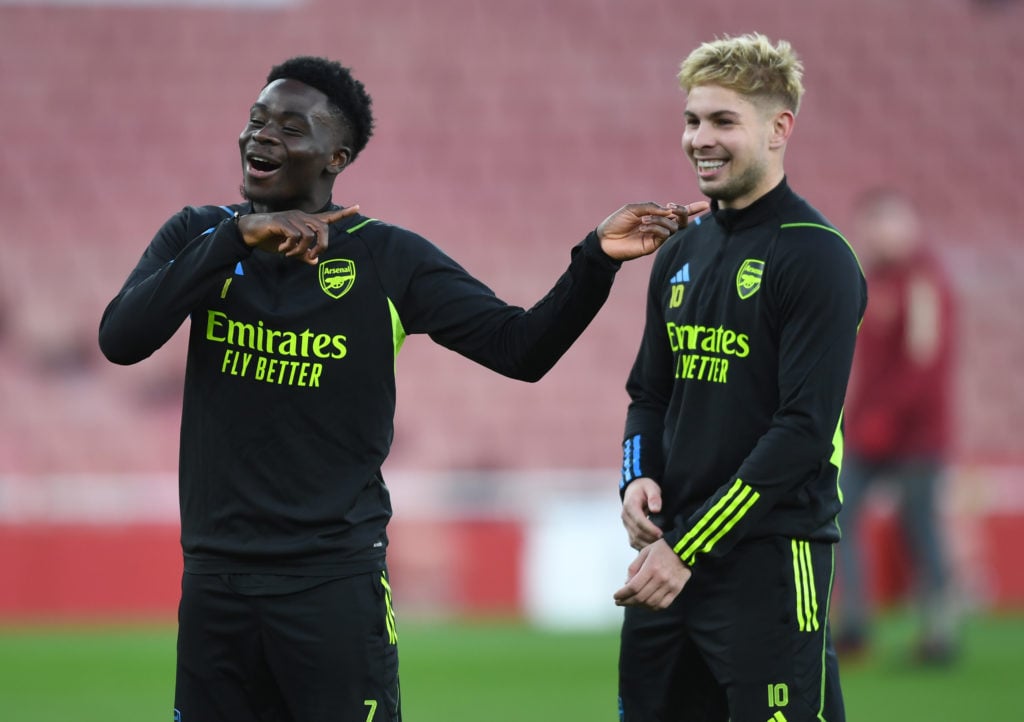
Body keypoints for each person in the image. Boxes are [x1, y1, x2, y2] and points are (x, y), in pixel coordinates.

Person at [98, 56, 705, 722]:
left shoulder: (386, 259)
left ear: (338, 155)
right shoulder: (199, 236)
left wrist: (593, 261)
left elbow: (521, 349)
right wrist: (231, 241)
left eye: (290, 126)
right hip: (216, 587)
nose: (262, 136)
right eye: (257, 119)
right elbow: (121, 340)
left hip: (332, 589)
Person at [611, 33, 866, 722]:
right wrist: (635, 475)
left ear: (779, 128)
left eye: (724, 121)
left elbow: (804, 431)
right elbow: (649, 392)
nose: (700, 139)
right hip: (669, 568)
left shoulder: (818, 258)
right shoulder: (679, 251)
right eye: (693, 120)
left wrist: (687, 547)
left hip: (771, 564)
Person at [833, 187, 958, 664]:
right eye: (873, 224)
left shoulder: (924, 279)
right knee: (838, 515)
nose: (880, 234)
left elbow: (924, 364)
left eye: (888, 222)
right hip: (869, 430)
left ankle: (939, 631)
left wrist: (883, 417)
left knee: (919, 529)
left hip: (918, 434)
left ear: (908, 225)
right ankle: (856, 625)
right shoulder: (874, 280)